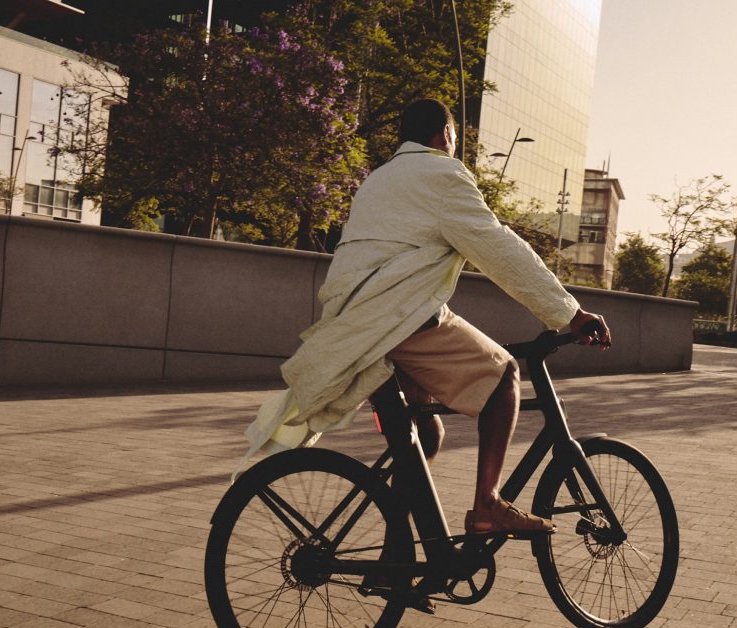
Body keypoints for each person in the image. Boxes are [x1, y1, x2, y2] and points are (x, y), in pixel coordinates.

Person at [242, 98, 609, 536]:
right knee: (505, 375)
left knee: (423, 435)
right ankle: (488, 505)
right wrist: (569, 313)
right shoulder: (442, 174)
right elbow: (498, 248)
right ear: (445, 136)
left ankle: (395, 556)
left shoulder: (378, 180)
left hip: (355, 328)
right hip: (397, 317)